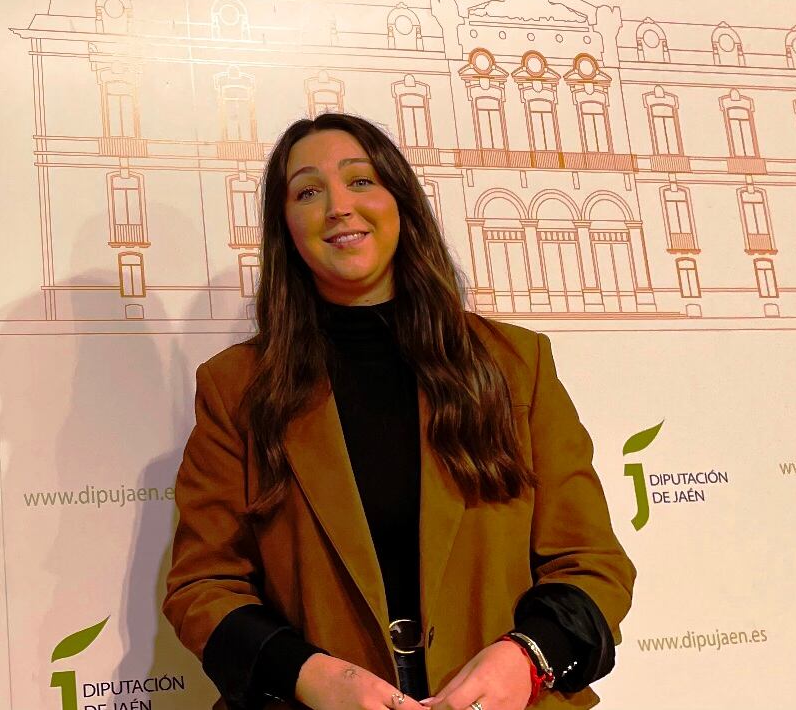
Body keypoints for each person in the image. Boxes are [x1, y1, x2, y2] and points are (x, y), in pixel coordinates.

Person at [164, 114, 632, 710]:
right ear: (286, 227)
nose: (338, 206)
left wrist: (527, 657)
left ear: (401, 202)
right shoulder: (236, 387)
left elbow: (592, 563)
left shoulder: (517, 364)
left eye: (360, 180)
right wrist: (308, 675)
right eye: (307, 192)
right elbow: (203, 586)